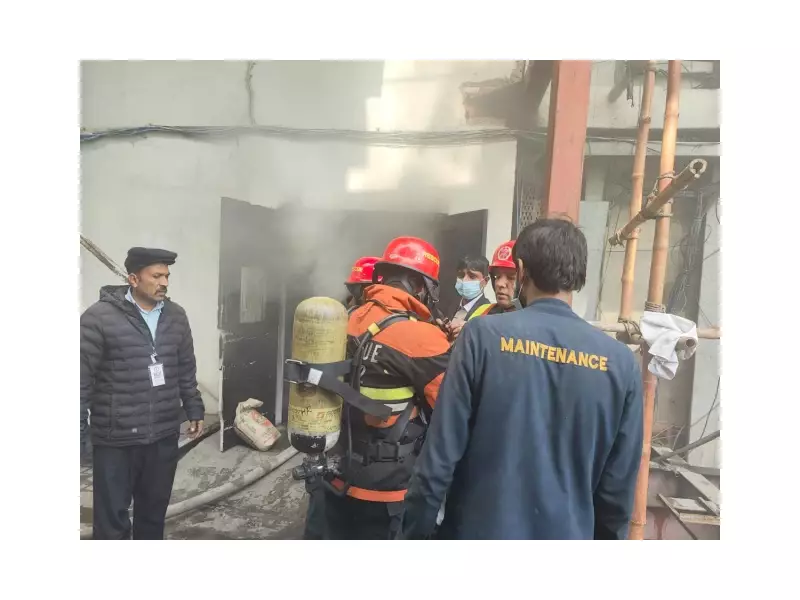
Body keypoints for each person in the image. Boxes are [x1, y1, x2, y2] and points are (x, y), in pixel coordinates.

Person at [399, 219, 644, 540]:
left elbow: (437, 461)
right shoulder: (620, 362)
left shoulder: (481, 337)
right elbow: (617, 492)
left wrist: (414, 536)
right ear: (578, 274)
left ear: (522, 269)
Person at [322, 236, 451, 539]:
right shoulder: (424, 337)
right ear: (419, 285)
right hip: (388, 491)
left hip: (337, 475)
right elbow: (452, 409)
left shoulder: (348, 318)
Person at [80, 247, 205, 540]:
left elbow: (185, 368)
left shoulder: (176, 316)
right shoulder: (98, 318)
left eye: (167, 276)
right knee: (111, 525)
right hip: (116, 440)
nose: (164, 283)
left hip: (162, 436)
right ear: (133, 279)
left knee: (152, 518)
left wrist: (194, 407)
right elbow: (79, 380)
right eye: (157, 276)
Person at [302, 255, 381, 540]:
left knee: (327, 505)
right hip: (345, 432)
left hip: (336, 431)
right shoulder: (353, 324)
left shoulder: (341, 321)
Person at [467, 240, 520, 321]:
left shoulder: (536, 321)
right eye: (497, 276)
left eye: (511, 277)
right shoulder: (482, 311)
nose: (499, 284)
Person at [446, 255, 490, 340]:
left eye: (472, 276)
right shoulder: (451, 305)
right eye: (461, 275)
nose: (464, 280)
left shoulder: (489, 313)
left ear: (485, 281)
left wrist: (470, 331)